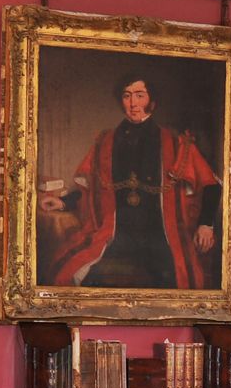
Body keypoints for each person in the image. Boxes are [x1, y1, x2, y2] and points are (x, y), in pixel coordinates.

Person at [35, 73, 221, 289]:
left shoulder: (175, 143)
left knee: (180, 279)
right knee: (68, 272)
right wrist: (64, 202)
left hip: (160, 233)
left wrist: (206, 224)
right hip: (116, 231)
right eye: (127, 96)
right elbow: (93, 188)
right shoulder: (105, 142)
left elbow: (211, 185)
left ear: (152, 101)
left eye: (140, 95)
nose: (133, 103)